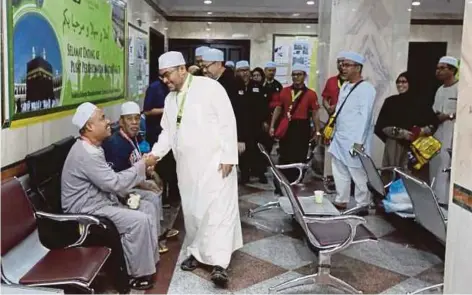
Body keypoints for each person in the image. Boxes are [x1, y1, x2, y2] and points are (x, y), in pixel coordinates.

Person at [151, 51, 243, 287]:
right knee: (193, 213)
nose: (165, 80)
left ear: (181, 69)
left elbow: (227, 122)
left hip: (215, 164)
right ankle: (197, 252)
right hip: (187, 168)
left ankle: (220, 264)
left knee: (218, 212)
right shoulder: (170, 99)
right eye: (161, 77)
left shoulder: (210, 88)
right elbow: (168, 133)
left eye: (167, 74)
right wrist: (154, 154)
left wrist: (229, 155)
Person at [61, 102, 159, 290]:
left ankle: (149, 264)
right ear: (89, 127)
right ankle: (136, 274)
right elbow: (113, 183)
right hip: (87, 212)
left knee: (146, 206)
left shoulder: (93, 148)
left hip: (100, 202)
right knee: (138, 220)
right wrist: (142, 165)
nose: (108, 122)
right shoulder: (85, 153)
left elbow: (108, 182)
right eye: (103, 118)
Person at [102, 101, 180, 253]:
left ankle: (156, 233)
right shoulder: (115, 144)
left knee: (154, 192)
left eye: (137, 119)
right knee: (150, 197)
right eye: (130, 119)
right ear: (121, 121)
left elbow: (136, 162)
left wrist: (150, 174)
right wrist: (142, 184)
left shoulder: (132, 138)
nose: (134, 123)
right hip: (120, 191)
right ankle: (153, 241)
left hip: (131, 182)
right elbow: (117, 178)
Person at [327, 51, 376, 214]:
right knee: (339, 169)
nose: (343, 68)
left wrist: (359, 142)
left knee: (358, 171)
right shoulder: (345, 87)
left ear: (358, 68)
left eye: (347, 65)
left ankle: (363, 204)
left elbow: (365, 117)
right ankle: (341, 200)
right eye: (342, 65)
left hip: (355, 139)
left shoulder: (367, 89)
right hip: (340, 136)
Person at [375, 72, 439, 182]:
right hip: (395, 146)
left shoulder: (422, 102)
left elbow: (433, 123)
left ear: (412, 83)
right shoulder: (391, 102)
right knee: (393, 175)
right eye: (398, 82)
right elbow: (381, 125)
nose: (400, 85)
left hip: (417, 148)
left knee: (413, 178)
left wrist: (421, 131)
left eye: (404, 82)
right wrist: (401, 133)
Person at [269, 64, 321, 184]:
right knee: (285, 154)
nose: (296, 77)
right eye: (294, 74)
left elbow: (315, 113)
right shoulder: (285, 91)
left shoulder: (311, 94)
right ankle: (283, 181)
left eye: (299, 74)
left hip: (302, 126)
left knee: (299, 154)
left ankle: (297, 180)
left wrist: (317, 131)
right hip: (287, 126)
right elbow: (278, 108)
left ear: (304, 76)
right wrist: (272, 126)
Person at [430, 56, 459, 205]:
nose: (438, 71)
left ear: (453, 70)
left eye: (442, 68)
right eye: (437, 68)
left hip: (454, 132)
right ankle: (437, 197)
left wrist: (449, 116)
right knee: (437, 162)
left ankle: (447, 201)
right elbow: (435, 109)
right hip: (439, 131)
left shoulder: (461, 88)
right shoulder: (440, 89)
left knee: (448, 164)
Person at [235, 60, 269, 184]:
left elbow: (264, 105)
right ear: (236, 72)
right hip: (241, 126)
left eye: (245, 70)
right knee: (243, 152)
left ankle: (260, 173)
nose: (243, 73)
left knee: (258, 150)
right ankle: (244, 175)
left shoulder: (257, 86)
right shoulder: (234, 86)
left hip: (256, 125)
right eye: (240, 71)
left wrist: (265, 120)